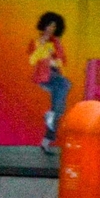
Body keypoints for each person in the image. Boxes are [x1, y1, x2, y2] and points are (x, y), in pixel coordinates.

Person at [30, 11, 72, 150]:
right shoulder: (36, 41)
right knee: (65, 84)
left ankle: (46, 141)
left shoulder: (55, 42)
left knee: (58, 109)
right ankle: (51, 115)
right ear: (44, 25)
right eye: (49, 26)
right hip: (44, 76)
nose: (51, 29)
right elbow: (32, 60)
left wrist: (50, 59)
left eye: (54, 27)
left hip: (55, 75)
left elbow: (61, 62)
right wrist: (42, 48)